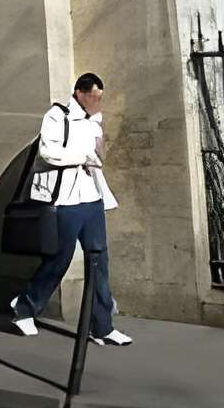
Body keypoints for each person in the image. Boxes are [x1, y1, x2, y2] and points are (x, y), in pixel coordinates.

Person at [10, 72, 133, 346]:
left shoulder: (93, 121)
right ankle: (24, 309)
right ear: (80, 92)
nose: (97, 102)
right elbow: (48, 152)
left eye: (100, 98)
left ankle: (102, 326)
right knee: (59, 258)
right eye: (94, 97)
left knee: (99, 259)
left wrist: (98, 132)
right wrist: (81, 157)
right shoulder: (57, 116)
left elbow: (99, 156)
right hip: (65, 199)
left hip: (91, 197)